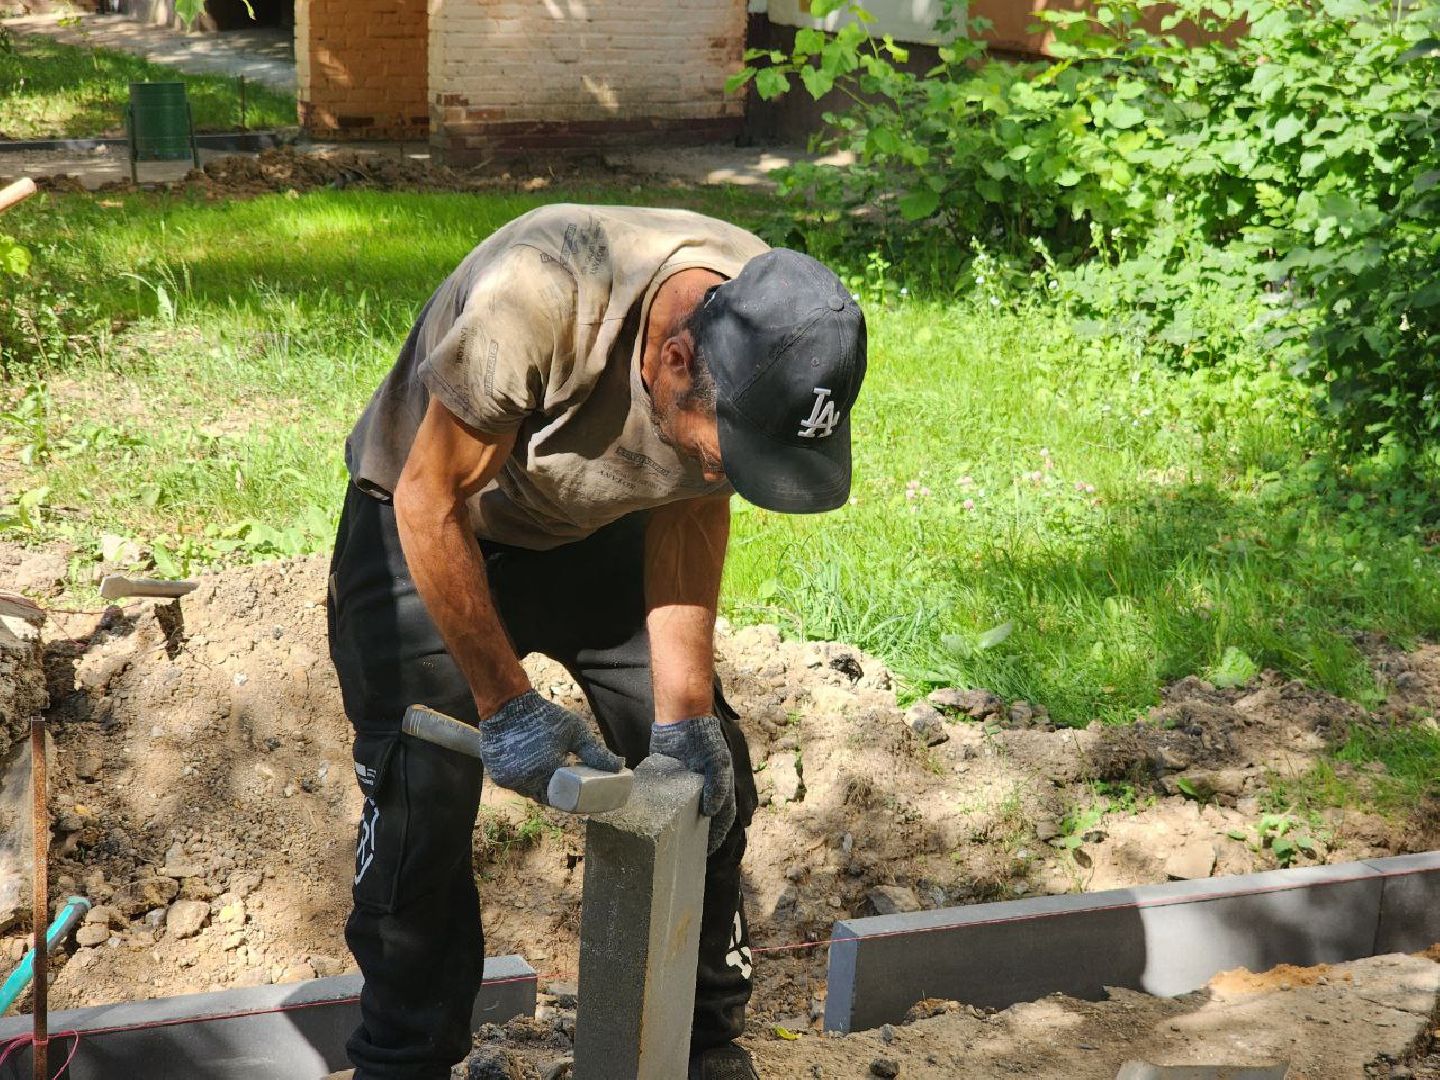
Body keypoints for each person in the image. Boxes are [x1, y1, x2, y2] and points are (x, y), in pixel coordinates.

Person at [325, 203, 867, 1080]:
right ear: (673, 359)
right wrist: (506, 707)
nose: (729, 467)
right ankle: (403, 1060)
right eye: (728, 448)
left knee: (704, 780)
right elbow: (434, 500)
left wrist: (684, 720)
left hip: (595, 525)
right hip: (428, 521)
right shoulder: (536, 300)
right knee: (419, 792)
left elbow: (694, 500)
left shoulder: (772, 317)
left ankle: (698, 1045)